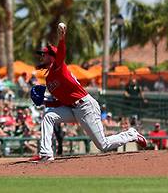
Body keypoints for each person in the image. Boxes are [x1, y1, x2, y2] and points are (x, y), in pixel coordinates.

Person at [29, 22, 146, 162]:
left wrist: (61, 39)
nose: (41, 57)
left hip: (86, 106)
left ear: (52, 56)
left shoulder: (58, 67)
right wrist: (44, 102)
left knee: (103, 145)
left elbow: (61, 53)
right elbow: (61, 101)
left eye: (44, 54)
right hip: (72, 108)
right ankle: (46, 153)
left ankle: (131, 134)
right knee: (48, 117)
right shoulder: (49, 80)